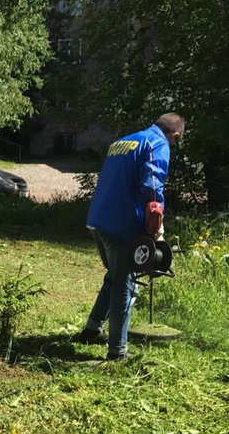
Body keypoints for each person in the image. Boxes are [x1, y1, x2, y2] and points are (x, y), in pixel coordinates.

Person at [77, 113, 185, 360]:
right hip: (120, 225)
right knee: (125, 286)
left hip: (97, 220)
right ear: (175, 135)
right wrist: (156, 227)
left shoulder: (124, 141)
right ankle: (118, 352)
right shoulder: (157, 144)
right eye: (176, 142)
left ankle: (92, 329)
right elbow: (153, 187)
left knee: (115, 276)